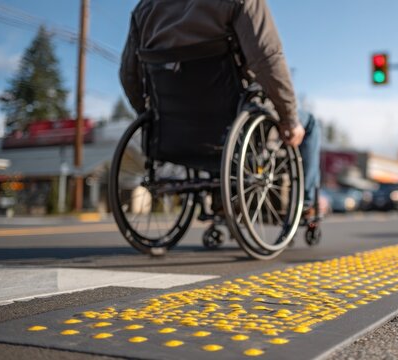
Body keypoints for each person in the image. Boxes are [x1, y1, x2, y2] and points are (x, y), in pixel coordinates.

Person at [119, 0, 320, 212]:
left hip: (174, 129)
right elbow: (267, 60)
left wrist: (148, 115)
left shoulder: (145, 9)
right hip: (232, 123)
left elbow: (128, 75)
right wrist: (288, 118)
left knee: (216, 121)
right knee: (309, 125)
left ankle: (222, 200)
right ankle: (306, 204)